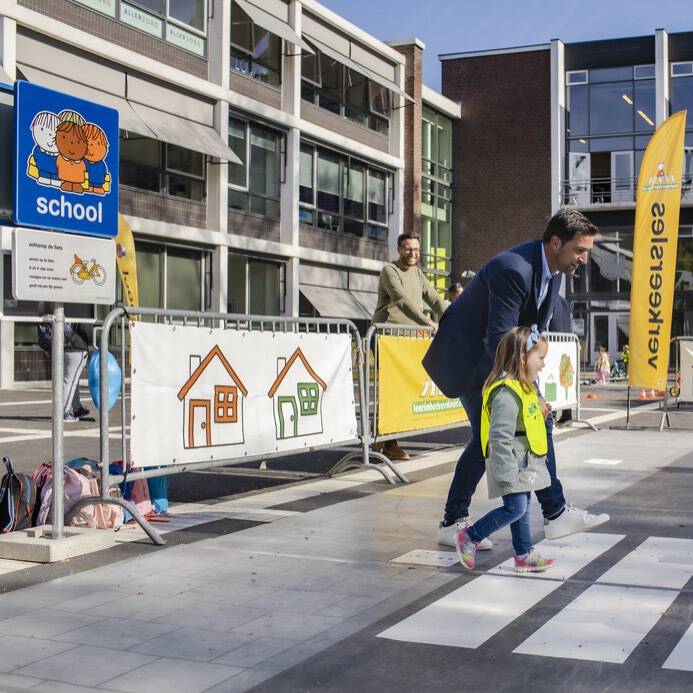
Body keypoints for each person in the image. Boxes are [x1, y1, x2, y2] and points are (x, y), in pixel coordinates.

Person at [422, 208, 609, 549]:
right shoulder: (514, 269)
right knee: (490, 438)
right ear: (556, 242)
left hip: (499, 360)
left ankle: (551, 514)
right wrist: (528, 392)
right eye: (580, 250)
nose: (584, 258)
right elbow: (498, 338)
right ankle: (542, 514)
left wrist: (534, 389)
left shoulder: (554, 272)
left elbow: (531, 330)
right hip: (472, 362)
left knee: (507, 432)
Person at [456, 326, 555, 572]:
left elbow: (525, 422)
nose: (543, 365)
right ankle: (471, 536)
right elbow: (499, 435)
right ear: (523, 358)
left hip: (522, 460)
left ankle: (523, 553)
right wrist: (505, 470)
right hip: (510, 461)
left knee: (522, 506)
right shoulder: (506, 392)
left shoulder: (523, 387)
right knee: (516, 507)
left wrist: (540, 415)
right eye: (540, 358)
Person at [372, 232, 449, 460]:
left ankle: (385, 440)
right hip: (386, 338)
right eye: (408, 249)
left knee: (404, 390)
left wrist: (456, 314)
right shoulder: (390, 271)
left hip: (408, 339)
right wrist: (427, 322)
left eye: (416, 249)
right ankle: (384, 441)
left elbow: (434, 298)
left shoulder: (417, 273)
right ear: (399, 249)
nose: (413, 254)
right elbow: (402, 300)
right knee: (390, 389)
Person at [37, 318, 93, 422]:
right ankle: (64, 412)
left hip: (62, 346)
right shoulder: (75, 311)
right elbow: (86, 330)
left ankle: (74, 407)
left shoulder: (48, 311)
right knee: (70, 381)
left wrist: (48, 348)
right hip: (75, 346)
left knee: (69, 381)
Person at [549, 295, 574, 425]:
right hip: (566, 345)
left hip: (553, 345)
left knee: (550, 379)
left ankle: (551, 414)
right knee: (565, 381)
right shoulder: (565, 302)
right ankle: (567, 414)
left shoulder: (551, 299)